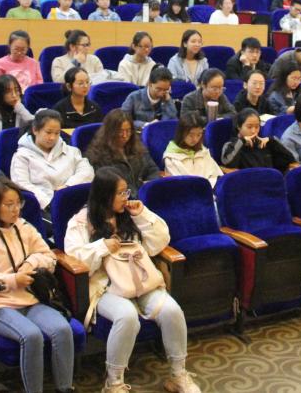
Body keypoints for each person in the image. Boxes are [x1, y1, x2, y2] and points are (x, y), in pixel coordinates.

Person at [64, 167, 200, 393]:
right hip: (105, 287)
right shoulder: (81, 221)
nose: (126, 198)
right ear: (105, 194)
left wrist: (142, 214)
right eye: (120, 193)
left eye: (127, 191)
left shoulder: (130, 215)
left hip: (141, 281)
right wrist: (101, 247)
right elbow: (75, 259)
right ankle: (114, 383)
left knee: (172, 311)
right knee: (127, 317)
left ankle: (178, 375)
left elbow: (159, 242)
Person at [0, 177, 75, 393]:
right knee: (31, 336)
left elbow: (48, 256)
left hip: (31, 297)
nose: (16, 210)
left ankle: (65, 388)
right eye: (9, 205)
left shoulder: (24, 227)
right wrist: (13, 280)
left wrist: (30, 264)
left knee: (62, 329)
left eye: (18, 203)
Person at [11, 109, 93, 209]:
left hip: (74, 200)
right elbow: (21, 183)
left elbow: (87, 172)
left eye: (57, 133)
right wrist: (50, 202)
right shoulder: (21, 156)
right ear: (35, 130)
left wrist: (67, 187)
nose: (52, 138)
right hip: (43, 207)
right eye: (48, 132)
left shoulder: (72, 151)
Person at [85, 110, 160, 192]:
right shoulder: (98, 155)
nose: (125, 135)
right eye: (120, 131)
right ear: (110, 131)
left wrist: (148, 185)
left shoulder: (138, 147)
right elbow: (106, 185)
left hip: (142, 193)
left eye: (128, 130)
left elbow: (153, 169)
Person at [221, 109, 298, 173]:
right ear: (239, 127)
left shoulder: (265, 143)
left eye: (257, 127)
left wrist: (272, 142)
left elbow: (290, 159)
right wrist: (242, 141)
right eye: (249, 127)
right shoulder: (231, 145)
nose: (254, 131)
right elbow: (228, 163)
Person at [163, 113, 224, 187]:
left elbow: (216, 174)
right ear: (181, 133)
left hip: (209, 189)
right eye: (191, 135)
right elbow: (182, 184)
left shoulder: (203, 151)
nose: (195, 139)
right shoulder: (171, 157)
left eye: (199, 134)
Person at [0, 74, 35, 139]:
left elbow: (36, 126)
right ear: (0, 94)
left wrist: (20, 108)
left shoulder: (19, 110)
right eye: (8, 92)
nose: (14, 95)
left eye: (16, 90)